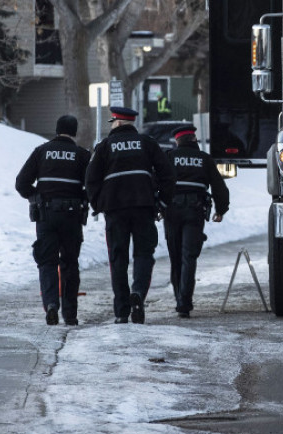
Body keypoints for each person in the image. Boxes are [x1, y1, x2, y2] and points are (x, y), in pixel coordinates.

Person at [86, 106, 174, 324]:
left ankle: (121, 311)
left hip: (115, 210)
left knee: (118, 259)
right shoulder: (147, 143)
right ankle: (138, 293)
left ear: (116, 122)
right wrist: (162, 202)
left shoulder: (104, 146)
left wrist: (98, 204)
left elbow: (91, 179)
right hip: (144, 207)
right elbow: (168, 174)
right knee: (144, 254)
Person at [15, 115, 91, 326]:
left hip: (46, 215)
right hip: (72, 215)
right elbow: (92, 185)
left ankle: (50, 305)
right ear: (74, 132)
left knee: (47, 262)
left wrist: (36, 197)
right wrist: (83, 199)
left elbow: (21, 183)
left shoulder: (41, 152)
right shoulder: (82, 155)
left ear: (56, 130)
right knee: (69, 263)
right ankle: (70, 313)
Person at [163, 123, 230, 318]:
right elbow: (219, 186)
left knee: (175, 257)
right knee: (188, 257)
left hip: (172, 211)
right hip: (194, 211)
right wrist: (221, 209)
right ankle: (185, 301)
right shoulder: (204, 159)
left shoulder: (169, 157)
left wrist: (157, 207)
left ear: (177, 141)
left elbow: (157, 182)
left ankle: (179, 300)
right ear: (194, 139)